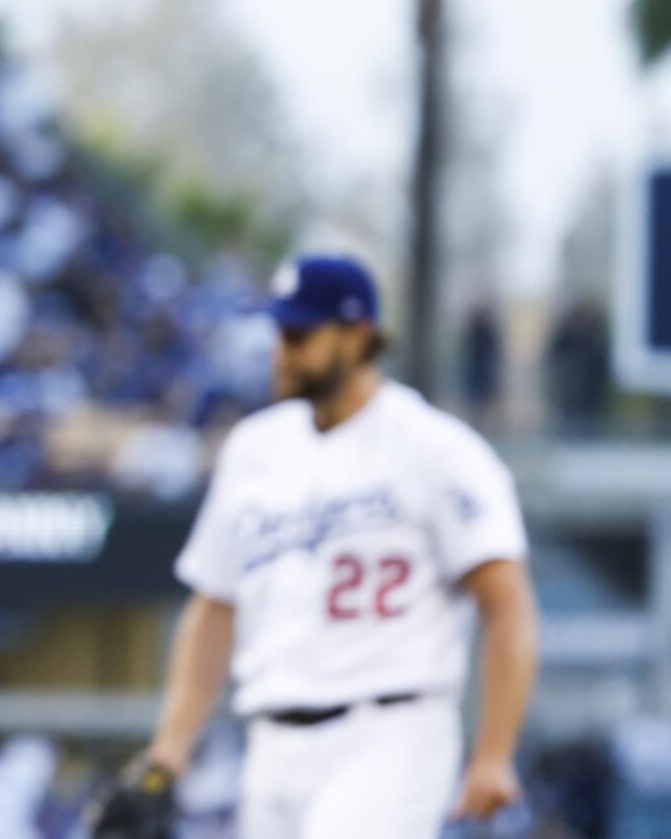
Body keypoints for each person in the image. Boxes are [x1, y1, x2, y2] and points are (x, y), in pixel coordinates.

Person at [90, 254, 539, 839]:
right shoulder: (254, 449)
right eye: (279, 332)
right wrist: (167, 757)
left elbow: (507, 602)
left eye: (300, 334)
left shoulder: (435, 449)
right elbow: (213, 606)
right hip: (272, 742)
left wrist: (494, 752)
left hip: (389, 734)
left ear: (358, 339)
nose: (282, 350)